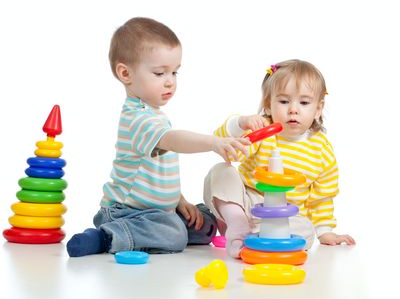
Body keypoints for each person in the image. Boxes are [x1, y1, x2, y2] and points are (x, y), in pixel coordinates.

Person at [67, 17, 250, 257]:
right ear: (125, 73)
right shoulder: (137, 119)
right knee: (174, 235)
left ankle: (168, 223)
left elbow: (157, 173)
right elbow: (174, 139)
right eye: (159, 73)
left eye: (174, 72)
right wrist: (213, 142)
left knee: (204, 224)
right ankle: (106, 236)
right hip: (126, 211)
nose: (170, 81)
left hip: (158, 210)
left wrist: (179, 201)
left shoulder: (153, 114)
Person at [203, 59, 356, 258]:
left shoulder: (321, 149)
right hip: (248, 204)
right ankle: (237, 222)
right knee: (221, 171)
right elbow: (225, 145)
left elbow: (322, 195)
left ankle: (254, 236)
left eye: (304, 102)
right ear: (268, 104)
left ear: (318, 109)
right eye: (284, 101)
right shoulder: (263, 131)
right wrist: (241, 123)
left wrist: (324, 230)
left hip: (284, 216)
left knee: (305, 231)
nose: (293, 109)